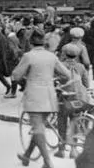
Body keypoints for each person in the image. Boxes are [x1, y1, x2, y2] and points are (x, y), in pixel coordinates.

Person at [12, 28, 70, 168]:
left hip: (34, 96)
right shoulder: (51, 56)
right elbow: (66, 74)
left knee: (37, 129)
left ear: (31, 42)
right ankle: (27, 156)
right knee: (39, 128)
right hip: (50, 96)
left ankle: (47, 161)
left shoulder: (28, 56)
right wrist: (53, 79)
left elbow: (16, 76)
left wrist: (26, 77)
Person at [54, 43, 90, 159]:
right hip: (78, 99)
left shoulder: (60, 65)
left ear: (64, 53)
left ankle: (61, 149)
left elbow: (54, 81)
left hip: (64, 99)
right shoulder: (81, 67)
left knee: (62, 122)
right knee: (75, 121)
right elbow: (86, 83)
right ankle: (73, 150)